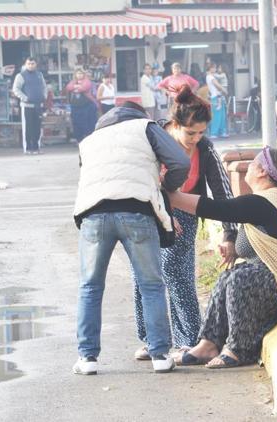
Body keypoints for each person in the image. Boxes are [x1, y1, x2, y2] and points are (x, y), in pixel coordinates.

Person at [166, 146, 277, 368]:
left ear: (262, 172)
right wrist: (233, 247)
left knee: (241, 280)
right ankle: (207, 344)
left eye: (253, 163)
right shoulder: (270, 199)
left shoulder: (265, 201)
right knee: (229, 277)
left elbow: (217, 209)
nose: (248, 167)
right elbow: (261, 240)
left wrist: (172, 196)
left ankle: (239, 349)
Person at [73, 101, 191, 375]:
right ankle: (160, 355)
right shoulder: (146, 127)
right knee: (151, 285)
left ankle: (87, 359)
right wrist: (166, 188)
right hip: (136, 210)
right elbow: (181, 161)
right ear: (140, 115)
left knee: (90, 287)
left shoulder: (89, 139)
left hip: (93, 214)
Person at [132, 85, 237, 360]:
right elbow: (140, 178)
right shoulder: (153, 138)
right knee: (143, 273)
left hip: (187, 212)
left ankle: (189, 340)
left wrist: (230, 233)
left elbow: (221, 188)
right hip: (148, 209)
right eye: (190, 132)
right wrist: (163, 212)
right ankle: (152, 339)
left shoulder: (204, 148)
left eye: (201, 133)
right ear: (175, 125)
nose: (195, 139)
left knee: (177, 272)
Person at [12, 57, 46, 154]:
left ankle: (36, 148)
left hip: (38, 105)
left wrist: (44, 96)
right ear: (25, 65)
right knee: (28, 127)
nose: (31, 65)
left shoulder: (40, 75)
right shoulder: (21, 76)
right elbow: (16, 89)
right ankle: (28, 148)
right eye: (29, 63)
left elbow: (44, 87)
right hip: (27, 106)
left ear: (36, 64)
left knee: (37, 127)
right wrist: (25, 98)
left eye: (33, 63)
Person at [65, 69, 98, 142]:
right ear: (75, 75)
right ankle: (79, 139)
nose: (79, 75)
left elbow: (84, 88)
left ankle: (88, 139)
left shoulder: (87, 81)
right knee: (76, 123)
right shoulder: (72, 82)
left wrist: (75, 88)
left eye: (81, 73)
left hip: (86, 106)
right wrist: (76, 87)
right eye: (78, 73)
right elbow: (68, 87)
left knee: (87, 123)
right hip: (75, 107)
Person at [205, 63, 228, 139]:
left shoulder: (211, 76)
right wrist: (224, 90)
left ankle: (222, 132)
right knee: (217, 116)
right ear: (210, 68)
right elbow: (217, 85)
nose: (215, 69)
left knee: (221, 115)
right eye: (214, 68)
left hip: (218, 97)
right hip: (216, 97)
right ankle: (214, 132)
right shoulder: (210, 76)